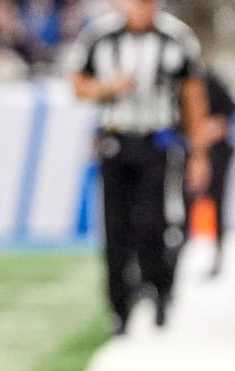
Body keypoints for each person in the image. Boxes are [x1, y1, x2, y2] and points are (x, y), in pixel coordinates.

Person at [68, 0, 210, 334]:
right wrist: (107, 88)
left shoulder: (176, 38)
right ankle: (119, 309)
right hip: (115, 141)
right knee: (115, 231)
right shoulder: (99, 36)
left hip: (156, 142)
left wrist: (199, 153)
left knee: (153, 223)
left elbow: (193, 96)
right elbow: (77, 84)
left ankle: (158, 290)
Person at [184, 69, 234, 278]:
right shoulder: (176, 81)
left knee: (215, 199)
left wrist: (211, 131)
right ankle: (183, 253)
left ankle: (215, 253)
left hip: (215, 150)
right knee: (185, 201)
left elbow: (227, 116)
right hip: (187, 149)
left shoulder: (209, 82)